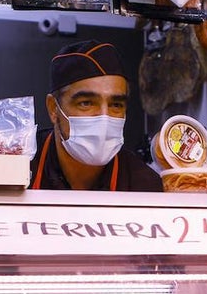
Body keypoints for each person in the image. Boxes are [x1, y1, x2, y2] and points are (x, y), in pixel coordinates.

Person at [30, 40, 163, 191]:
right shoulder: (22, 165)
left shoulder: (144, 186)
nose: (104, 117)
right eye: (86, 103)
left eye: (115, 105)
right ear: (54, 108)